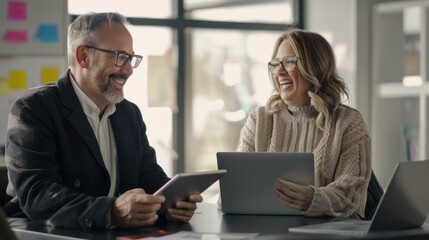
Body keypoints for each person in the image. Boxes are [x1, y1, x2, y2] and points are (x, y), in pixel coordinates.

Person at [4, 12, 202, 229]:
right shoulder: (34, 108)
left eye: (130, 58)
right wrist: (111, 211)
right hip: (45, 233)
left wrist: (171, 201)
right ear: (83, 57)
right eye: (119, 56)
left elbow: (148, 175)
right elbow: (37, 193)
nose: (127, 70)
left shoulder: (129, 114)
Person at [236, 28, 371, 219]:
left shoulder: (348, 122)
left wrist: (315, 199)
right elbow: (234, 187)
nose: (280, 72)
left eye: (290, 62)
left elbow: (352, 194)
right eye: (276, 64)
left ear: (316, 67)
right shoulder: (258, 120)